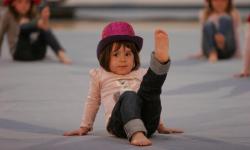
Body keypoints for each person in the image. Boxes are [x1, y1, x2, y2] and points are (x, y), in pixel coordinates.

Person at [63, 22, 183, 146]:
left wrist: (160, 126)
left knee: (151, 89)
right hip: (118, 125)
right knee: (129, 95)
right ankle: (136, 133)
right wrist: (85, 127)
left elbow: (151, 100)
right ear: (105, 57)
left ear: (134, 57)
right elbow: (93, 101)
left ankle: (160, 61)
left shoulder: (140, 73)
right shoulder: (99, 75)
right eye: (116, 54)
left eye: (127, 54)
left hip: (147, 124)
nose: (123, 59)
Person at [0, 0, 71, 64]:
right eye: (19, 2)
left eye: (27, 2)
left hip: (37, 53)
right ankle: (39, 24)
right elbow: (1, 34)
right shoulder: (8, 15)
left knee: (44, 29)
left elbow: (39, 34)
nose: (24, 5)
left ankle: (60, 53)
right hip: (20, 53)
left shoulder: (33, 13)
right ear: (13, 3)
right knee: (24, 27)